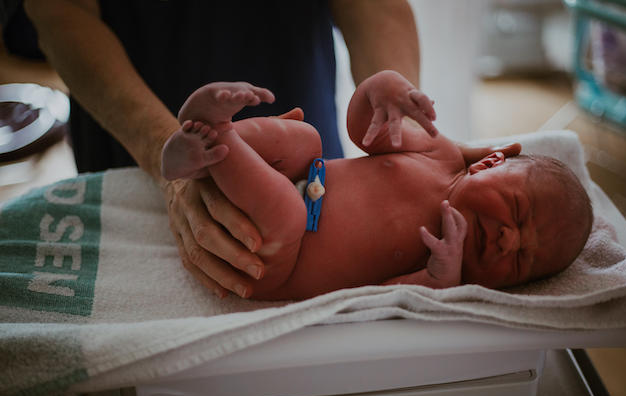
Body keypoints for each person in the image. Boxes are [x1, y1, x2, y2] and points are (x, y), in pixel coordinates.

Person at [3, 0, 421, 298]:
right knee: (296, 149)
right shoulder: (449, 166)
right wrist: (392, 109)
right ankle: (205, 138)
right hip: (145, 124)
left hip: (299, 221)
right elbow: (62, 12)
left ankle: (213, 134)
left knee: (280, 202)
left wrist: (400, 124)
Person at [161, 70, 594, 301]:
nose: (507, 240)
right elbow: (366, 131)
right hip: (300, 178)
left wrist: (436, 280)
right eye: (517, 211)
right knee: (304, 139)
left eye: (519, 262)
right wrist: (383, 89)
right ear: (489, 162)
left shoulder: (447, 274)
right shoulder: (439, 153)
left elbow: (382, 300)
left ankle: (219, 139)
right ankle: (201, 153)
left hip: (278, 262)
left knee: (288, 214)